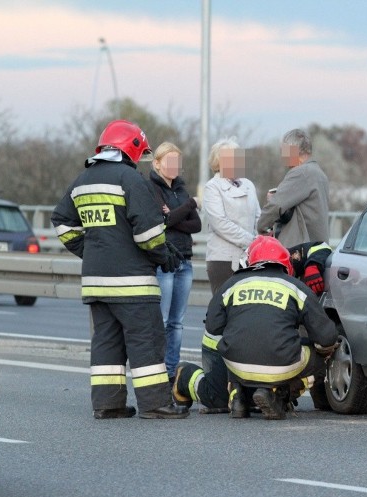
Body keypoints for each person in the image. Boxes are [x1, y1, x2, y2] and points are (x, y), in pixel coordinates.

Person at [51, 119, 188, 419]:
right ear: (133, 148)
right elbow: (149, 233)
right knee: (147, 339)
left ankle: (107, 404)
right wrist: (163, 255)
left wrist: (91, 251)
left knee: (106, 343)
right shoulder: (130, 179)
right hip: (133, 284)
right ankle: (155, 404)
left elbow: (62, 222)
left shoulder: (82, 180)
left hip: (96, 283)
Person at [171, 239, 334, 412]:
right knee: (320, 355)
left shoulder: (231, 284)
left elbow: (213, 326)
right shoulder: (297, 287)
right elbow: (327, 337)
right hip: (277, 362)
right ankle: (185, 377)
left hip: (233, 361)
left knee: (223, 389)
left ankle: (238, 392)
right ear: (287, 265)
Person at [148, 142, 201, 381]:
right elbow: (163, 221)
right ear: (157, 163)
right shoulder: (152, 188)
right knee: (163, 319)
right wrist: (189, 205)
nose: (173, 166)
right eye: (168, 161)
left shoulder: (181, 189)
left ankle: (171, 373)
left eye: (176, 162)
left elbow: (196, 225)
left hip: (185, 260)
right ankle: (157, 372)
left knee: (177, 323)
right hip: (164, 261)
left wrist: (173, 216)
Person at [203, 137, 260, 293]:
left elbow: (258, 216)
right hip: (223, 259)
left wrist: (262, 237)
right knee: (223, 307)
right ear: (219, 162)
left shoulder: (249, 185)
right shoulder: (212, 187)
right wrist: (252, 241)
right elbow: (220, 223)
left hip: (250, 257)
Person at [257, 128, 330, 247]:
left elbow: (276, 206)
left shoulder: (300, 173)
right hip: (317, 249)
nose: (282, 156)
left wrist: (261, 227)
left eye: (284, 151)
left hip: (300, 252)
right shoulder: (319, 174)